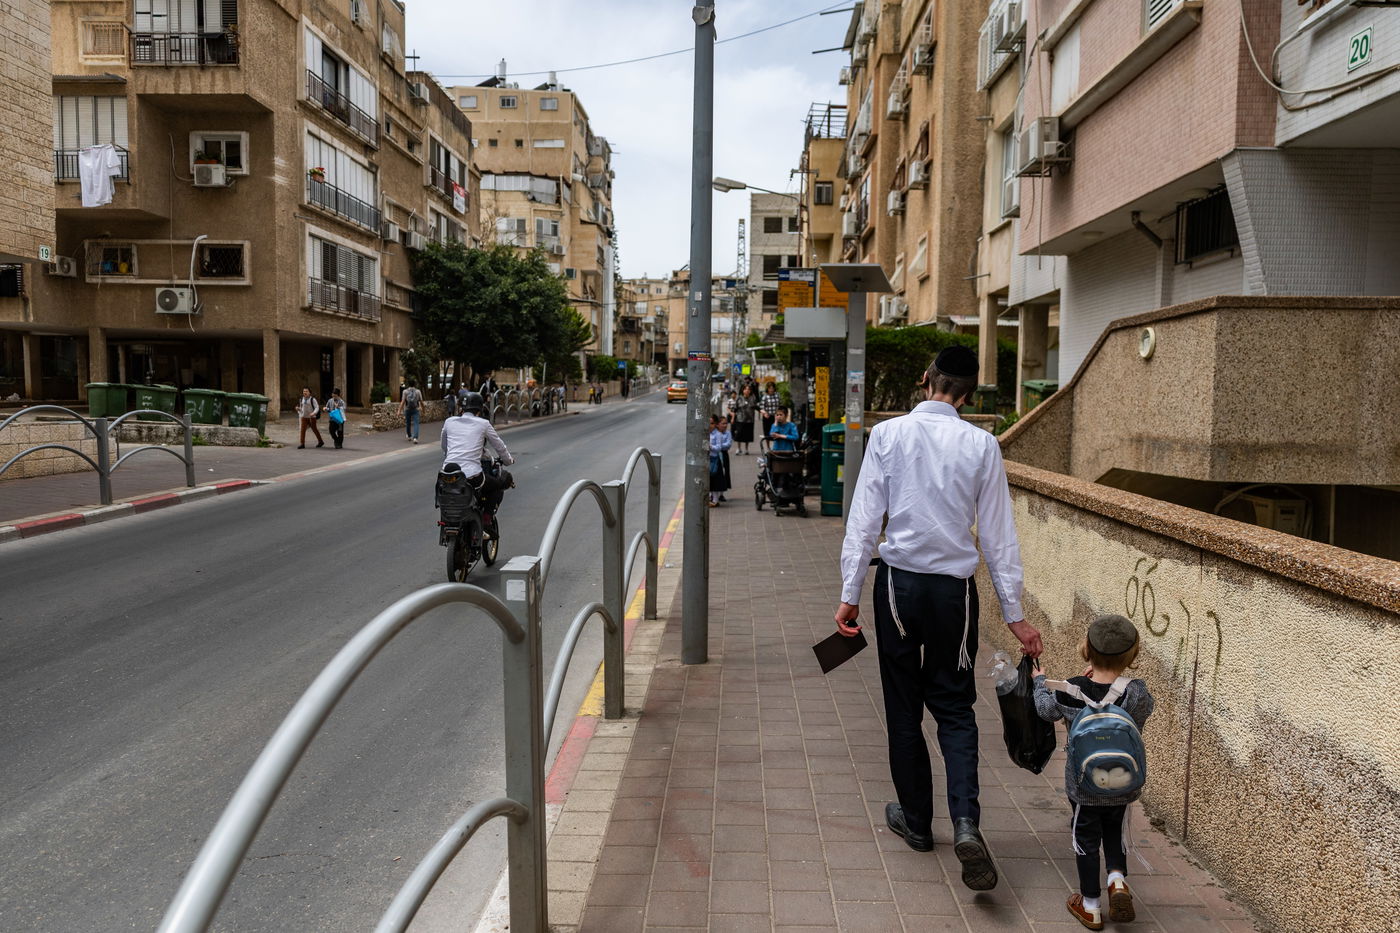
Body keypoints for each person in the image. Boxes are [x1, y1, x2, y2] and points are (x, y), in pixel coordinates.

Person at [833, 345, 1042, 892]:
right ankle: (967, 822)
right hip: (956, 594)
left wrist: (849, 594)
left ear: (927, 381)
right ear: (968, 396)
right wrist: (1016, 617)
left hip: (898, 589)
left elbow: (863, 521)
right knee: (954, 706)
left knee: (904, 708)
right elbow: (998, 538)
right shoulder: (983, 446)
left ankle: (918, 823)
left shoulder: (888, 436)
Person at [1034, 616, 1155, 930]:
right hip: (1123, 784)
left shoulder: (1072, 689)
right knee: (1114, 831)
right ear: (1132, 656)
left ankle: (1090, 906)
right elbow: (1145, 710)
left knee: (1085, 839)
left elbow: (1045, 710)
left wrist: (1040, 680)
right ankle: (1116, 880)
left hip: (1084, 786)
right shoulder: (1136, 692)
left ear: (1086, 649)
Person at [440, 391, 516, 524]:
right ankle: (487, 517)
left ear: (461, 408)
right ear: (479, 410)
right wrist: (508, 460)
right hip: (472, 476)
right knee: (497, 485)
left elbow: (444, 446)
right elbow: (499, 446)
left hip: (446, 474)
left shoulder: (449, 422)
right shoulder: (484, 424)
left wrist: (452, 456)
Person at [707, 414, 731, 507]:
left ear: (716, 424)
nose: (710, 425)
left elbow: (718, 448)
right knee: (710, 480)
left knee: (715, 481)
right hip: (708, 459)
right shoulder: (706, 433)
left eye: (712, 423)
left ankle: (715, 500)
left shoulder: (718, 434)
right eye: (708, 423)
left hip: (715, 459)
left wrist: (711, 447)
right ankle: (711, 498)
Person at [732, 384, 757, 455]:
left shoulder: (753, 398)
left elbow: (756, 406)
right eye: (745, 389)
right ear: (742, 390)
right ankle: (738, 448)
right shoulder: (739, 398)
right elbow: (735, 409)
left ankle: (746, 449)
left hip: (750, 419)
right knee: (739, 434)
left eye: (748, 389)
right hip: (740, 419)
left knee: (747, 435)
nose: (747, 391)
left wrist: (762, 411)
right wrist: (733, 418)